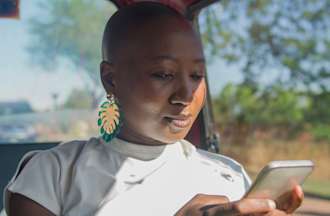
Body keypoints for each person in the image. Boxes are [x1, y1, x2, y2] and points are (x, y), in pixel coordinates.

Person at [4, 2, 303, 216]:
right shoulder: (50, 176)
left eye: (197, 76)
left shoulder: (229, 174)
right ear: (111, 79)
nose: (187, 95)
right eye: (163, 74)